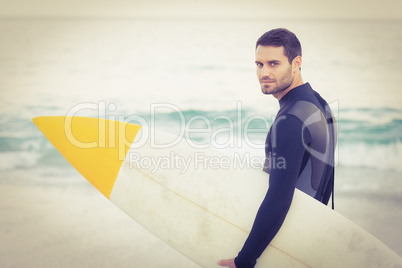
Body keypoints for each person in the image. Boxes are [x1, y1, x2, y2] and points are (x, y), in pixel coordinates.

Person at [218, 28, 337, 268]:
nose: (264, 72)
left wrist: (245, 259)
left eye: (274, 63)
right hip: (308, 236)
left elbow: (279, 198)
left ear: (296, 63)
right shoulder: (318, 103)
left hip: (284, 243)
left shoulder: (291, 119)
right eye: (259, 64)